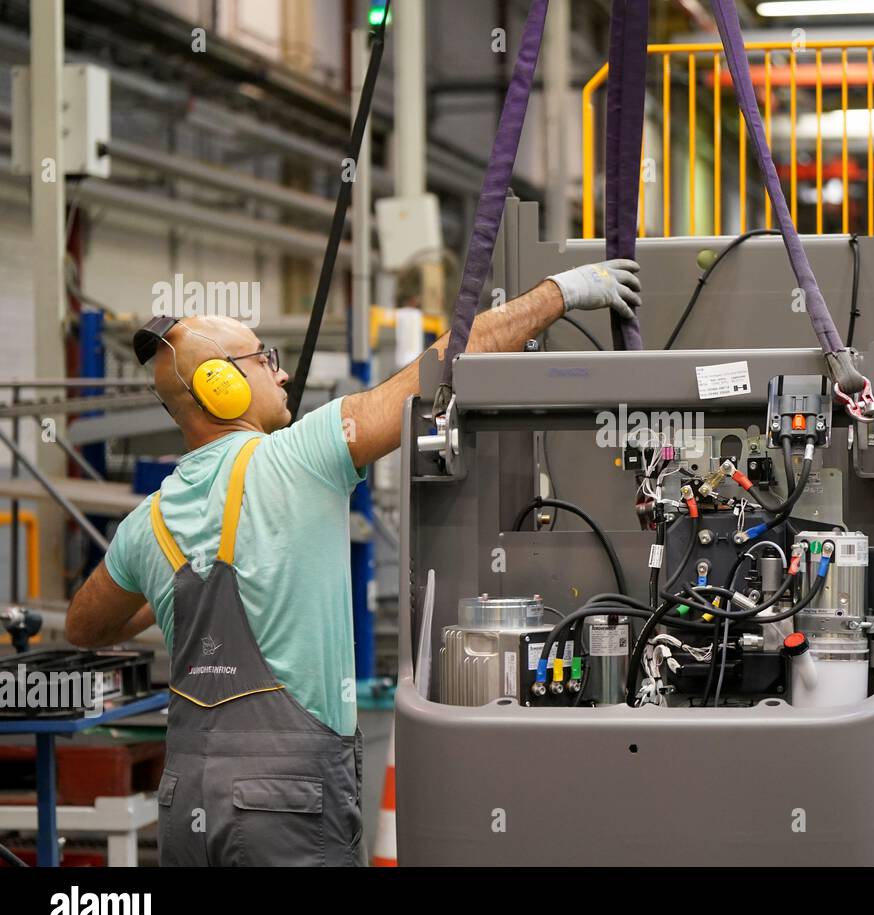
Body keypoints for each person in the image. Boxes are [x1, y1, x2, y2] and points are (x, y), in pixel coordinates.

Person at [64, 259, 642, 866]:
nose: (282, 376)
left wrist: (166, 592)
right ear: (219, 386)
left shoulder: (145, 523)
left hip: (184, 803)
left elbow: (85, 627)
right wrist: (562, 292)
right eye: (265, 360)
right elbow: (445, 365)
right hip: (287, 802)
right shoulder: (303, 458)